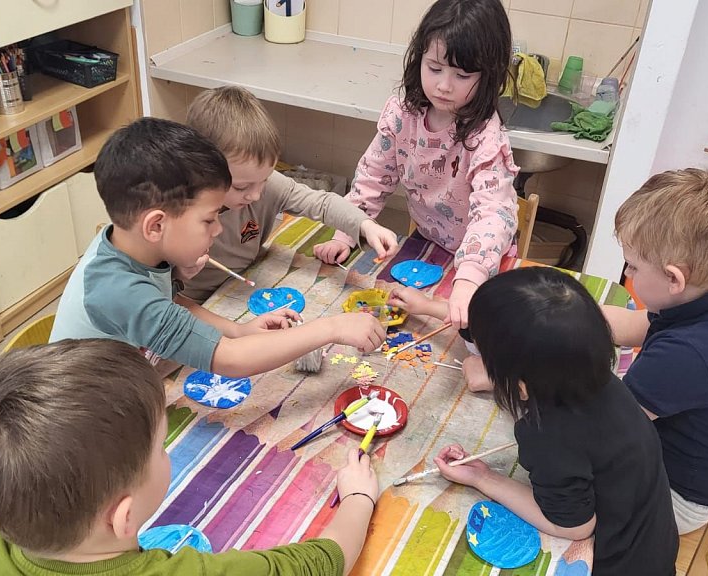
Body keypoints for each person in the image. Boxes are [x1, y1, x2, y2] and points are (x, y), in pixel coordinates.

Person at [0, 339, 379, 576]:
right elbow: (320, 563)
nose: (167, 449)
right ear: (123, 518)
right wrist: (359, 498)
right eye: (160, 447)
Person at [50, 118, 385, 377]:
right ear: (155, 226)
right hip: (89, 421)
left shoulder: (134, 247)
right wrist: (331, 328)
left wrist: (238, 330)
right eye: (209, 219)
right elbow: (230, 360)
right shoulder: (118, 290)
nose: (219, 228)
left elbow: (167, 302)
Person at [407, 268, 677, 576]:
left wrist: (484, 479)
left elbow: (575, 527)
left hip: (618, 564)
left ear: (521, 386)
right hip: (655, 544)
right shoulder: (599, 379)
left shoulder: (547, 434)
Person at [314, 0, 520, 387]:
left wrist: (469, 279)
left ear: (489, 75)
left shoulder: (485, 136)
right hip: (429, 247)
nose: (443, 85)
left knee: (478, 346)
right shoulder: (403, 114)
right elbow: (373, 176)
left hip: (480, 262)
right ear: (418, 58)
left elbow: (493, 215)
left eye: (462, 75)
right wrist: (346, 230)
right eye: (434, 67)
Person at [601, 168, 708, 534]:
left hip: (677, 500)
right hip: (691, 467)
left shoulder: (687, 354)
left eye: (633, 266)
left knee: (552, 480)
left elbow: (601, 429)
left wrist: (514, 379)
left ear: (674, 278)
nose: (627, 272)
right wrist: (564, 316)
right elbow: (630, 325)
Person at [179, 86, 399, 303]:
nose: (255, 195)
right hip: (193, 303)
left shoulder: (264, 186)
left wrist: (365, 225)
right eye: (241, 187)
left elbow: (321, 203)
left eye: (264, 180)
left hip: (243, 286)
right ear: (203, 172)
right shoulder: (176, 211)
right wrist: (177, 274)